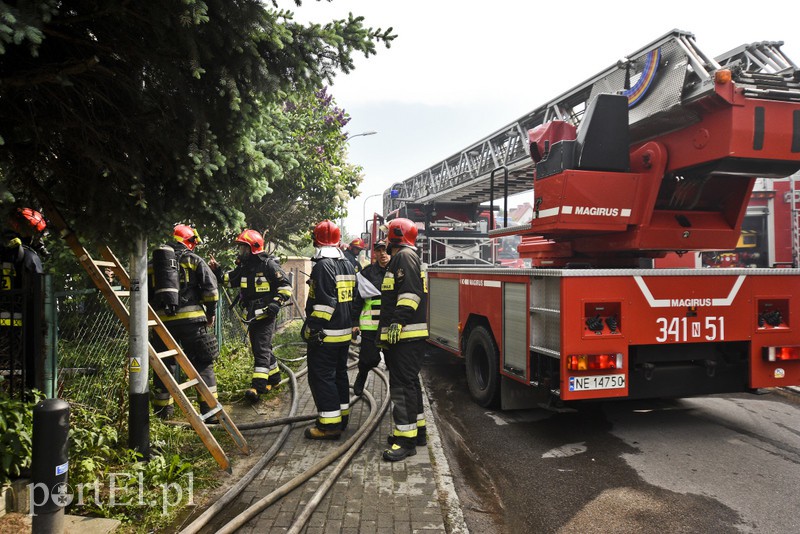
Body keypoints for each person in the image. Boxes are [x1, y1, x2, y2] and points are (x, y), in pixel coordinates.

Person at [210, 229, 292, 403]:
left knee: (261, 349)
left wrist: (276, 303)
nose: (241, 252)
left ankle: (258, 387)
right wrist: (217, 271)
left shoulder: (269, 265)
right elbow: (229, 281)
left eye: (243, 248)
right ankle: (275, 379)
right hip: (252, 315)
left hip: (266, 315)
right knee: (261, 347)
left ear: (253, 248)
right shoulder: (244, 268)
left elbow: (285, 286)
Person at [148, 224, 220, 421]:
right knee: (202, 364)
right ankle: (210, 412)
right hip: (192, 323)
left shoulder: (152, 264)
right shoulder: (194, 260)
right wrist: (211, 313)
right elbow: (211, 292)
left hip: (162, 324)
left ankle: (163, 414)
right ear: (189, 241)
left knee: (164, 366)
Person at [379, 218, 429, 461]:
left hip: (406, 336)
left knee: (401, 387)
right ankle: (417, 432)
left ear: (394, 236)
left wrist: (397, 322)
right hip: (410, 337)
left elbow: (411, 294)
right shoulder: (408, 257)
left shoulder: (403, 257)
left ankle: (405, 440)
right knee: (409, 384)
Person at [302, 220, 356, 440]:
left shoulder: (323, 266)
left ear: (317, 240)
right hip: (343, 334)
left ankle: (329, 426)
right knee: (339, 375)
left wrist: (312, 328)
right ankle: (341, 416)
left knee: (322, 377)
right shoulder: (347, 264)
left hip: (326, 335)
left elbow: (325, 304)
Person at [0, 208, 47, 391]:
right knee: (22, 380)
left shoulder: (6, 252)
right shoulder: (29, 257)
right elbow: (39, 294)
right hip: (21, 330)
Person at [350, 240, 390, 396]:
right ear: (375, 253)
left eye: (385, 250)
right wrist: (355, 322)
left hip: (389, 325)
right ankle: (361, 377)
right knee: (369, 359)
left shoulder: (396, 271)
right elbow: (357, 300)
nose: (382, 253)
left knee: (393, 362)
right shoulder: (366, 273)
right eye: (379, 250)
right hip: (370, 325)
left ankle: (396, 391)